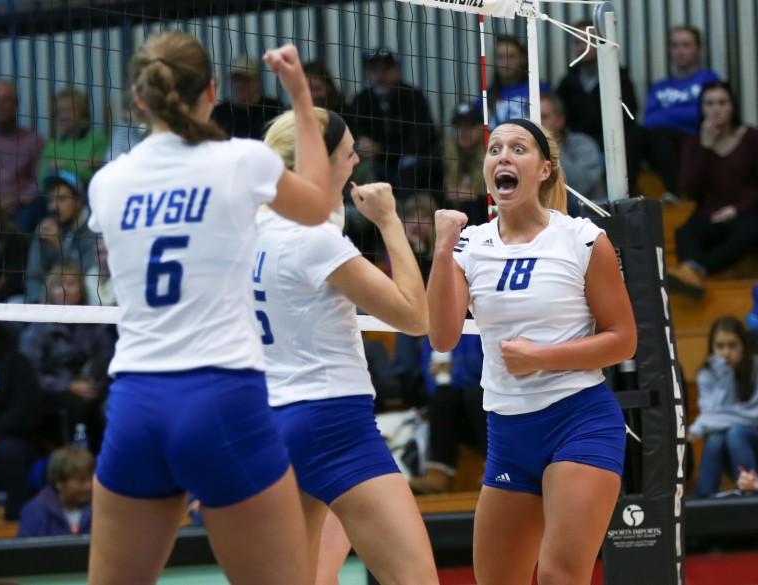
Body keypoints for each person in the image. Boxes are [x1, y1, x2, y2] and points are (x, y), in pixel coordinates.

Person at [84, 31, 339, 584]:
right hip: (221, 399)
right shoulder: (241, 162)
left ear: (139, 99)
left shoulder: (107, 184)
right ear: (213, 92)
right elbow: (319, 205)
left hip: (135, 405)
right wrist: (299, 97)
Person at [427, 118, 637, 584]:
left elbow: (623, 339)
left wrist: (542, 357)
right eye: (495, 148)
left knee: (561, 576)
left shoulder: (581, 239)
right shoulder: (469, 244)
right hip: (507, 432)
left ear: (544, 169)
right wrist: (442, 252)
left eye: (518, 149)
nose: (503, 155)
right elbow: (441, 337)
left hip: (578, 419)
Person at [258, 107, 437, 584]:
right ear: (316, 161)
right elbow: (416, 317)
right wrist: (389, 221)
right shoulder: (315, 240)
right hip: (333, 424)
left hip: (272, 421)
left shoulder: (249, 228)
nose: (357, 159)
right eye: (347, 152)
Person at [666, 81, 758, 296]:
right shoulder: (694, 143)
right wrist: (705, 147)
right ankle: (692, 272)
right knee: (685, 232)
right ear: (702, 109)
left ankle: (696, 271)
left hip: (747, 213)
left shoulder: (751, 137)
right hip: (710, 215)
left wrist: (738, 209)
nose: (716, 109)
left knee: (754, 228)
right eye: (709, 103)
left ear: (732, 106)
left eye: (722, 102)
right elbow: (688, 188)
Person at [20, 265, 114, 451]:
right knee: (77, 405)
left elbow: (106, 360)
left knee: (110, 403)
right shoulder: (37, 328)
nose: (65, 290)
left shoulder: (94, 323)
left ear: (81, 289)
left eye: (71, 284)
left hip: (90, 387)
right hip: (52, 392)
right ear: (50, 290)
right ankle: (77, 460)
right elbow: (29, 374)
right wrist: (68, 385)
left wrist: (94, 383)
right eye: (59, 285)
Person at [688, 317, 758, 497]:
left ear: (744, 345)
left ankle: (750, 497)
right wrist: (725, 375)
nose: (726, 353)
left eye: (732, 345)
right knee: (716, 436)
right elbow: (711, 415)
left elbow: (753, 416)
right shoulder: (706, 373)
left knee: (735, 432)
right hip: (729, 445)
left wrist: (699, 425)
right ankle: (704, 500)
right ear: (712, 348)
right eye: (720, 346)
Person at [632, 25, 719, 196]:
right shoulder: (659, 86)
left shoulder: (708, 79)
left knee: (657, 133)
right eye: (675, 45)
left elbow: (701, 115)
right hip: (660, 144)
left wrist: (665, 114)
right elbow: (648, 120)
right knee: (636, 133)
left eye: (686, 45)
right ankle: (624, 194)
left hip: (692, 141)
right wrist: (682, 112)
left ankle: (677, 192)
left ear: (698, 49)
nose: (680, 51)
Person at [348, 47, 441, 193]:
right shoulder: (361, 100)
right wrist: (362, 146)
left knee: (411, 166)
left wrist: (382, 150)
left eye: (386, 69)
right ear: (366, 74)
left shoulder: (414, 98)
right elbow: (355, 137)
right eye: (375, 70)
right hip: (374, 165)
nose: (380, 76)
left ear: (397, 71)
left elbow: (421, 140)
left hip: (409, 165)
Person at [409, 334, 485, 495]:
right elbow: (432, 383)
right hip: (458, 415)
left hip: (485, 407)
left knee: (474, 395)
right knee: (443, 396)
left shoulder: (480, 324)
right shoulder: (434, 332)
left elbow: (482, 371)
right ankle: (437, 472)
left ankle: (494, 468)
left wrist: (455, 372)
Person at [555, 19, 638, 152]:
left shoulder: (618, 78)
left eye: (589, 41)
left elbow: (628, 118)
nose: (583, 47)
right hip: (577, 145)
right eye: (577, 42)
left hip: (614, 144)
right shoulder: (567, 83)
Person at [0, 321, 40, 521]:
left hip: (10, 435)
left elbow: (23, 408)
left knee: (9, 453)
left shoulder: (15, 361)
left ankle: (14, 521)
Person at [24, 170, 98, 303]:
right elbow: (33, 276)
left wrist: (59, 246)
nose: (54, 206)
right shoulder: (45, 228)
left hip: (83, 302)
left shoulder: (94, 229)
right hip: (46, 302)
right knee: (13, 302)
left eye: (61, 199)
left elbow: (87, 276)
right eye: (50, 200)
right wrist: (41, 303)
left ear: (78, 201)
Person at [0, 80, 44, 229]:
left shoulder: (34, 141)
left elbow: (40, 181)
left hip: (22, 208)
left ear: (16, 105)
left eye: (6, 100)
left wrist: (17, 199)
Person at [539, 93, 603, 206]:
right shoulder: (526, 151)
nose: (538, 123)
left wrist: (553, 150)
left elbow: (580, 186)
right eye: (534, 117)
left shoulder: (583, 144)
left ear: (560, 121)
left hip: (584, 215)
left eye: (544, 117)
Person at [17, 446, 94, 537]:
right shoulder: (35, 512)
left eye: (91, 478)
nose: (90, 485)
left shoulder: (103, 506)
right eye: (81, 480)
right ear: (60, 483)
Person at [39, 88, 108, 188]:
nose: (63, 116)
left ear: (82, 113)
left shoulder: (98, 140)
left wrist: (63, 166)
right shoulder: (51, 146)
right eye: (60, 111)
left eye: (70, 110)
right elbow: (41, 183)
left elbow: (98, 179)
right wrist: (80, 168)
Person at [211, 55, 285, 139]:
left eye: (246, 80)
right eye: (237, 79)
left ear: (258, 81)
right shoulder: (219, 113)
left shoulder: (274, 110)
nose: (240, 85)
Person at [487, 37, 549, 127]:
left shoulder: (538, 88)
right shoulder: (487, 95)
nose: (505, 62)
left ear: (522, 59)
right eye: (500, 57)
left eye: (511, 57)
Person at [443, 102, 488, 222]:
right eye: (458, 126)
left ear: (481, 128)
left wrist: (476, 197)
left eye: (470, 126)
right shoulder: (442, 153)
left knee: (471, 205)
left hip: (483, 219)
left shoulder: (493, 154)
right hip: (451, 220)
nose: (463, 131)